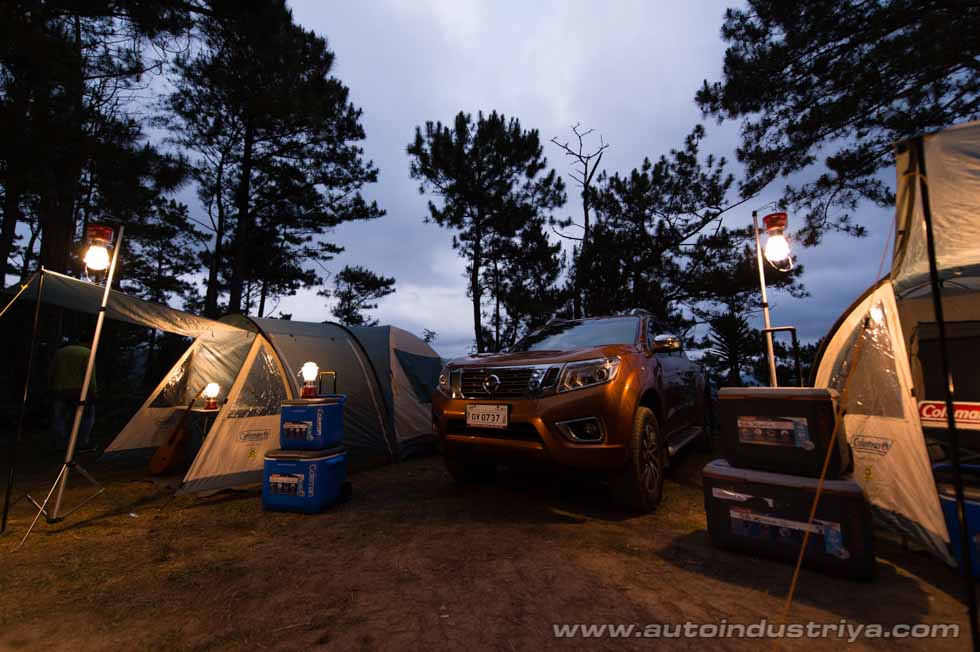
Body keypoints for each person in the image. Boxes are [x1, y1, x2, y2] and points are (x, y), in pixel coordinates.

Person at [49, 333, 97, 453]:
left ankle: (60, 444)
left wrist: (51, 386)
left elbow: (52, 371)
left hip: (60, 390)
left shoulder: (60, 352)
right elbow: (90, 375)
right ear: (89, 341)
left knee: (60, 418)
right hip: (79, 391)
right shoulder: (87, 353)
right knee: (86, 416)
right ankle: (82, 443)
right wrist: (93, 392)